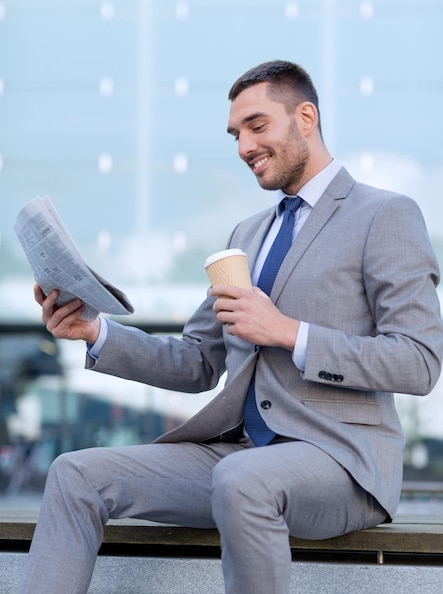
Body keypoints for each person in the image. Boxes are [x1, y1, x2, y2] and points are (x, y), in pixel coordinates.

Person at [19, 60, 443, 594]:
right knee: (74, 474)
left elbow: (419, 361)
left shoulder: (385, 215)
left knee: (243, 480)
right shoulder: (248, 231)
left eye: (257, 125)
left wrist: (289, 332)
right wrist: (95, 331)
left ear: (306, 117)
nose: (244, 145)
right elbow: (199, 362)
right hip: (237, 458)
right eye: (235, 133)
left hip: (343, 463)